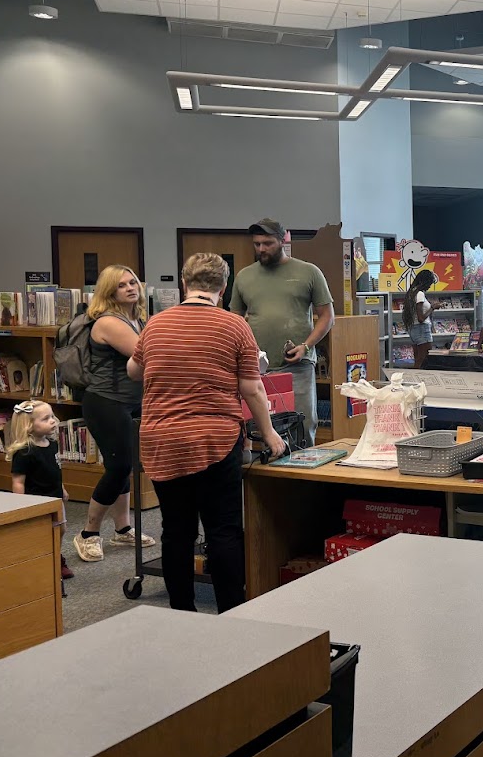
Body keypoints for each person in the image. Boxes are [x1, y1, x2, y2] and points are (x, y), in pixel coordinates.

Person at [129, 254, 286, 613]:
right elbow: (252, 388)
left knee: (176, 531)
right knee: (223, 530)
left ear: (184, 283)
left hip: (162, 441)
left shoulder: (155, 324)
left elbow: (133, 371)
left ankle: (182, 612)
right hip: (214, 440)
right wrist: (271, 434)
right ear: (223, 287)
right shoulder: (234, 326)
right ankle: (231, 609)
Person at [72, 265, 156, 565]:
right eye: (122, 285)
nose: (131, 288)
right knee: (119, 466)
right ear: (110, 292)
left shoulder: (138, 319)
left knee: (126, 466)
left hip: (133, 402)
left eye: (133, 282)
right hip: (106, 402)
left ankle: (122, 529)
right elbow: (148, 356)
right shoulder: (109, 322)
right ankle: (87, 533)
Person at [229, 218, 334, 446]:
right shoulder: (244, 276)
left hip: (297, 365)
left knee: (302, 426)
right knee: (258, 427)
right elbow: (234, 318)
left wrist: (306, 345)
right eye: (257, 244)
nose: (261, 249)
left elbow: (327, 316)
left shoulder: (309, 272)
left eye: (267, 243)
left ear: (283, 240)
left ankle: (304, 478)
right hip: (256, 367)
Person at [8, 400, 73, 581]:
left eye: (52, 416)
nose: (52, 421)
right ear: (29, 425)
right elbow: (18, 481)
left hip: (55, 498)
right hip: (37, 501)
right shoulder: (24, 452)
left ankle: (55, 557)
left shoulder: (52, 444)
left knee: (61, 529)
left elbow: (55, 470)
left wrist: (62, 489)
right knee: (39, 533)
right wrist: (20, 504)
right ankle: (42, 560)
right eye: (45, 419)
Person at [402, 269, 438, 369]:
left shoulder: (411, 293)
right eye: (430, 283)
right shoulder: (420, 294)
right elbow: (421, 318)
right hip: (422, 329)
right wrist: (432, 308)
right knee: (423, 359)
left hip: (414, 329)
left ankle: (416, 382)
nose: (430, 286)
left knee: (418, 359)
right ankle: (416, 381)